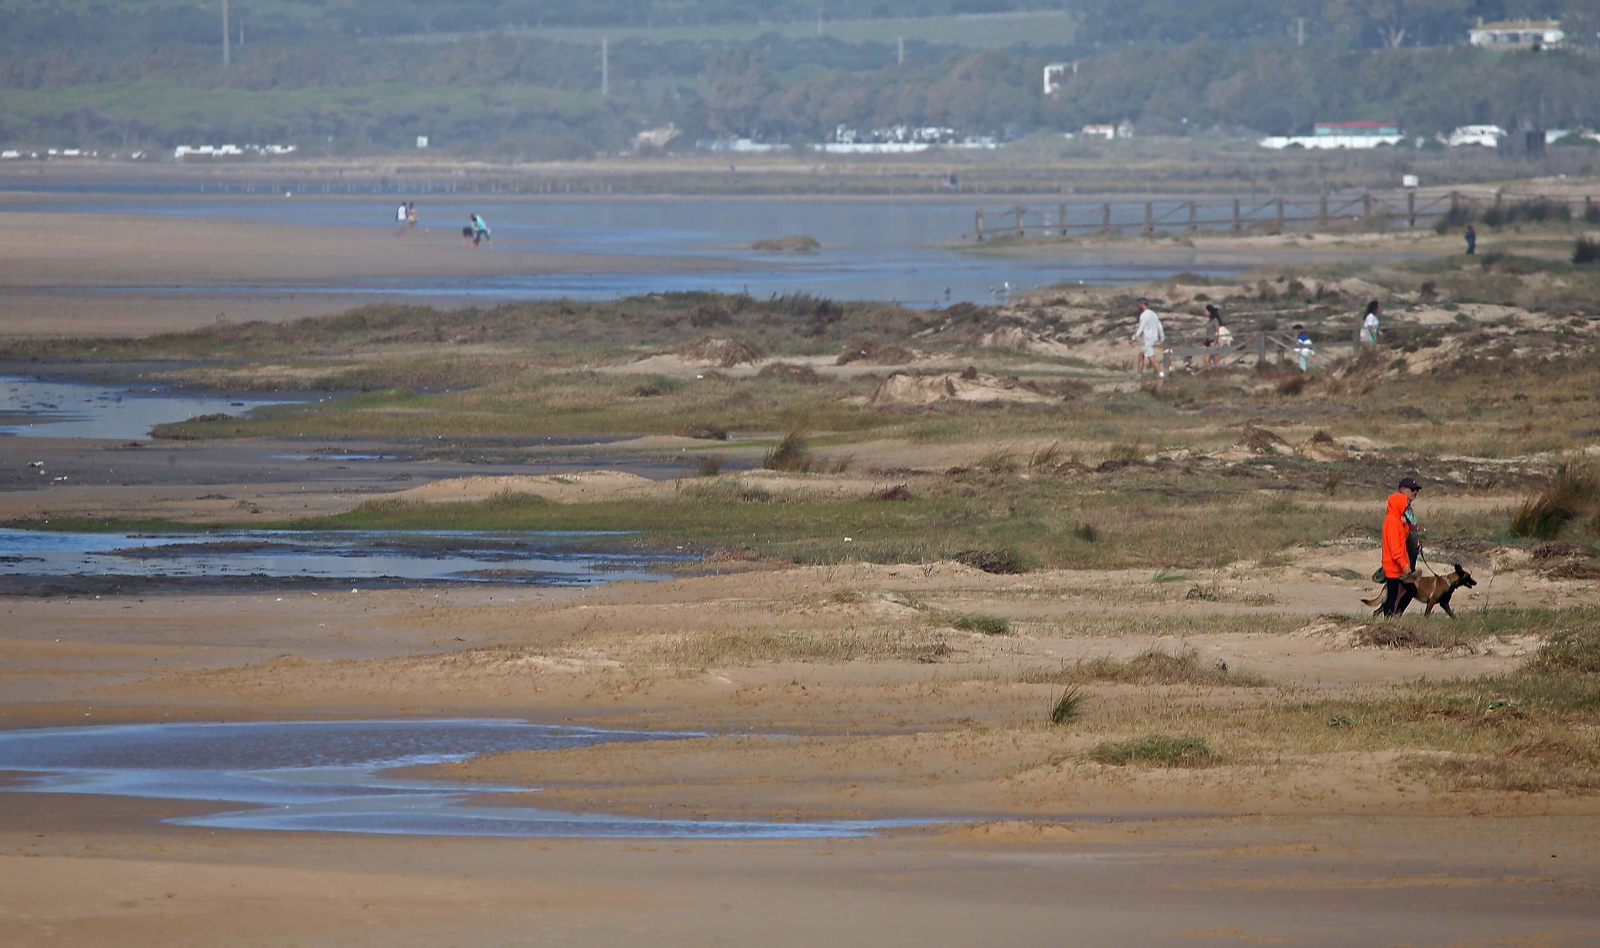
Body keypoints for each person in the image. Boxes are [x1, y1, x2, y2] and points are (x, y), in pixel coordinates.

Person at [1379, 476, 1423, 617]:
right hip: (1395, 565)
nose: (1405, 506)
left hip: (1399, 563)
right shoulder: (1392, 521)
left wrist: (1404, 523)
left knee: (1402, 592)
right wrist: (1405, 566)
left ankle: (1393, 617)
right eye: (1413, 489)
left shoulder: (1397, 520)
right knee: (1395, 594)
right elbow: (1395, 547)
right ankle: (1389, 619)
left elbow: (1403, 537)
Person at [1130, 298, 1165, 379]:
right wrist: (1162, 338)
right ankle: (1139, 375)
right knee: (1141, 356)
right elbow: (1160, 327)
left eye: (1139, 304)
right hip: (1153, 338)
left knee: (1151, 357)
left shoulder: (1144, 315)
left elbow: (1140, 328)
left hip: (1147, 339)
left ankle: (1161, 373)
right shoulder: (1154, 314)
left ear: (1141, 304)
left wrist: (1133, 337)